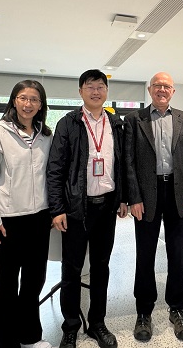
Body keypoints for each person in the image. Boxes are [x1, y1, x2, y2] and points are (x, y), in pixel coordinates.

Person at [47, 69, 128, 348]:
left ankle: (97, 323)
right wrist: (57, 209)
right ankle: (70, 326)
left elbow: (122, 164)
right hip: (75, 209)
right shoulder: (68, 123)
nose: (96, 91)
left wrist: (123, 198)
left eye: (100, 86)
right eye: (90, 86)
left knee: (101, 267)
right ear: (80, 91)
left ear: (107, 91)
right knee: (72, 269)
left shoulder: (116, 123)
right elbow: (55, 168)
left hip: (106, 208)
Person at [123, 72, 183, 342]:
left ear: (173, 91)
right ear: (150, 89)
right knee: (145, 254)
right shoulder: (134, 119)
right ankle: (143, 311)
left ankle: (177, 308)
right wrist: (134, 197)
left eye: (167, 86)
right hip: (146, 195)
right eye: (157, 86)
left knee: (178, 254)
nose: (162, 90)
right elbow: (128, 161)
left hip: (178, 193)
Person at [0, 79, 54, 348]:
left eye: (34, 99)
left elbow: (51, 175)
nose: (28, 104)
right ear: (14, 100)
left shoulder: (46, 135)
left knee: (35, 281)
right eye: (23, 98)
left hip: (40, 218)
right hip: (9, 219)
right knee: (7, 284)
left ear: (41, 105)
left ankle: (30, 336)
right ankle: (5, 342)